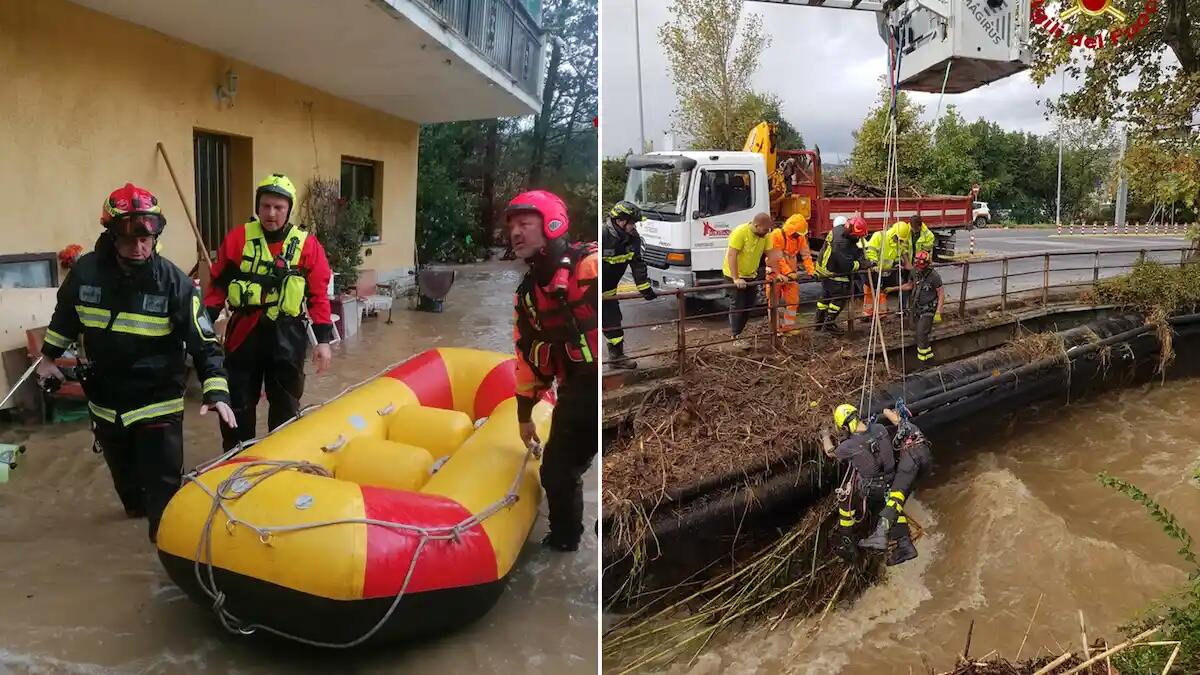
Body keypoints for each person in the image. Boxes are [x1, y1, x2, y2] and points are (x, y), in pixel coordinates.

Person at [36, 183, 235, 542]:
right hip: (106, 402)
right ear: (111, 235)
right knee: (129, 494)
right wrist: (48, 359)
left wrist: (216, 391)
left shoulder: (176, 284)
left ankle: (168, 562)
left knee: (163, 494)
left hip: (158, 400)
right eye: (130, 238)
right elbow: (65, 317)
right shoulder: (84, 275)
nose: (140, 247)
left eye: (148, 237)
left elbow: (205, 344)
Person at [204, 174, 334, 450]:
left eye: (278, 207)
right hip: (243, 332)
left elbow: (318, 295)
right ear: (257, 207)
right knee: (238, 400)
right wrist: (203, 327)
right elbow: (217, 286)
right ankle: (237, 458)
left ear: (289, 209)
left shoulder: (307, 245)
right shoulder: (238, 238)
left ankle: (280, 457)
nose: (271, 213)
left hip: (286, 333)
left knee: (286, 402)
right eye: (265, 206)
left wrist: (322, 341)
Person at [508, 190, 598, 552]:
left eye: (525, 224)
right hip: (576, 388)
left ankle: (576, 543)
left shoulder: (588, 266)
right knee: (557, 472)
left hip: (598, 385)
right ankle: (566, 543)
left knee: (562, 470)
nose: (515, 232)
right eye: (512, 226)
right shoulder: (528, 295)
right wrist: (524, 414)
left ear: (551, 225)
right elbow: (527, 357)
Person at [858, 407, 932, 566]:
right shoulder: (910, 426)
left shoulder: (902, 429)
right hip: (925, 460)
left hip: (911, 458)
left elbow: (886, 411)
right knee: (897, 501)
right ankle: (904, 544)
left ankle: (880, 535)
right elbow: (887, 411)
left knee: (894, 498)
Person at [824, 403, 895, 564]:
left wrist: (824, 436)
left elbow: (830, 452)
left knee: (845, 496)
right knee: (878, 504)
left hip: (872, 489)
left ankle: (847, 538)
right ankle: (880, 532)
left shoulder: (848, 446)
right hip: (892, 481)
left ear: (845, 426)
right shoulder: (879, 428)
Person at [601, 200, 655, 369]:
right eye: (632, 223)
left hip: (609, 291)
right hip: (588, 291)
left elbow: (637, 263)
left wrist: (644, 287)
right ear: (620, 221)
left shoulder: (633, 238)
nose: (634, 227)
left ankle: (616, 357)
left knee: (613, 323)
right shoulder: (603, 235)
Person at [814, 215, 872, 335]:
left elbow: (850, 249)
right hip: (832, 271)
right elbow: (847, 266)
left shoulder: (840, 229)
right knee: (840, 295)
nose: (859, 238)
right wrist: (862, 264)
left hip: (824, 267)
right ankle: (829, 324)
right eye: (858, 236)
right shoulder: (841, 244)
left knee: (826, 295)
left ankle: (819, 322)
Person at [722, 213, 774, 339]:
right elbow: (732, 255)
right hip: (734, 274)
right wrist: (736, 278)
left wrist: (776, 271)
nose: (767, 232)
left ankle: (740, 332)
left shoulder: (765, 236)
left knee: (749, 304)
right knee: (738, 305)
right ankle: (736, 335)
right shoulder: (740, 232)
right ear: (756, 225)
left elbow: (771, 254)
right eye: (765, 229)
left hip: (751, 274)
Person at [886, 250, 944, 362]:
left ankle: (924, 361)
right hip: (916, 308)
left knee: (921, 333)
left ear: (927, 264)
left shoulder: (934, 276)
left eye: (922, 266)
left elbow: (941, 294)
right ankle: (928, 356)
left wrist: (938, 312)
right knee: (915, 331)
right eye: (918, 266)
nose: (919, 268)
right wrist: (894, 288)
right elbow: (910, 285)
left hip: (928, 310)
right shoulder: (915, 271)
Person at [765, 213, 815, 334]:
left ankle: (788, 327)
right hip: (774, 272)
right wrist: (788, 272)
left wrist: (811, 270)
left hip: (791, 272)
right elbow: (778, 258)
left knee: (793, 300)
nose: (798, 236)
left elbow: (806, 254)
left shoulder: (800, 237)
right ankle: (775, 329)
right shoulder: (776, 235)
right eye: (797, 233)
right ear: (791, 229)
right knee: (773, 301)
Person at [862, 220, 912, 318]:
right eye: (898, 238)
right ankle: (867, 314)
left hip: (886, 272)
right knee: (869, 292)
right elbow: (871, 252)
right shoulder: (879, 236)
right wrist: (874, 264)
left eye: (901, 240)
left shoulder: (899, 244)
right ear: (894, 233)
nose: (899, 241)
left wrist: (897, 264)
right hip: (874, 271)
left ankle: (881, 314)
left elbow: (897, 256)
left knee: (882, 292)